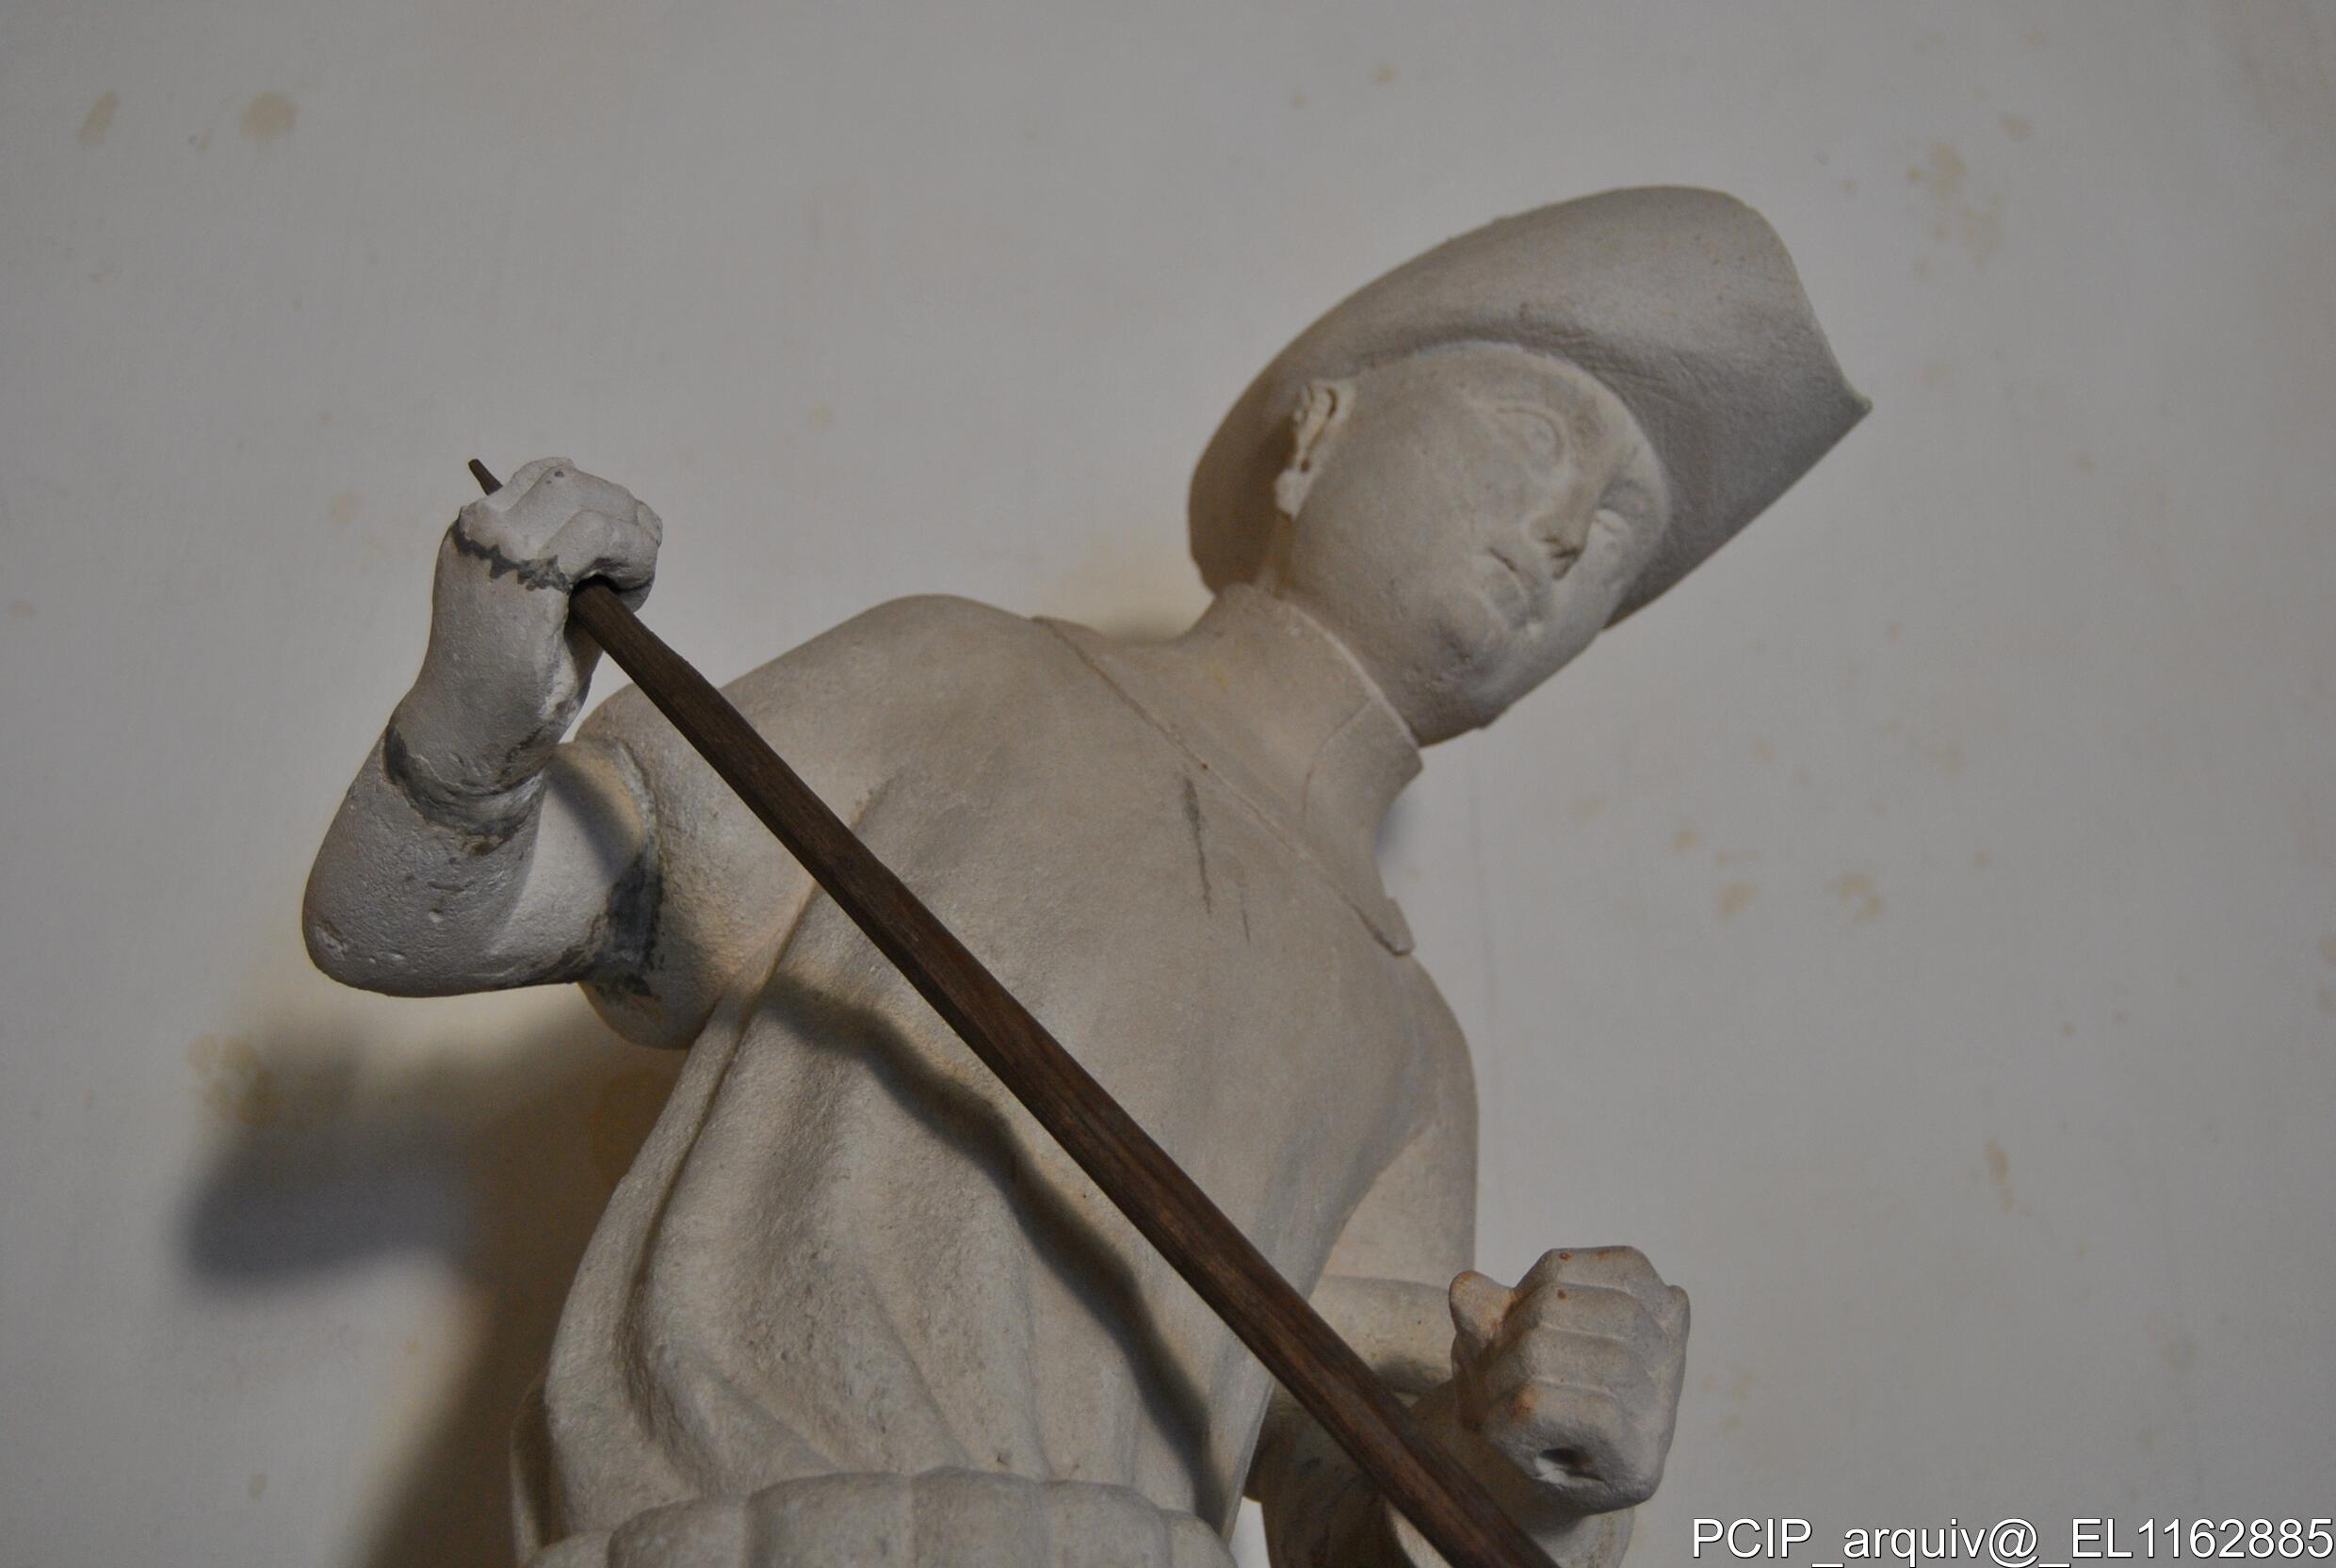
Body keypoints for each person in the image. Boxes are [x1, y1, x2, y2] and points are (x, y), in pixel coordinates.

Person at [305, 187, 1865, 1568]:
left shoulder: (1410, 1039)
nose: (1562, 535)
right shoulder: (962, 677)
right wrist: (476, 717)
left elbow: (1342, 1523)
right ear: (1319, 434)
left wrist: (1528, 1462)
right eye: (1533, 441)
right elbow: (405, 922)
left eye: (1618, 529)